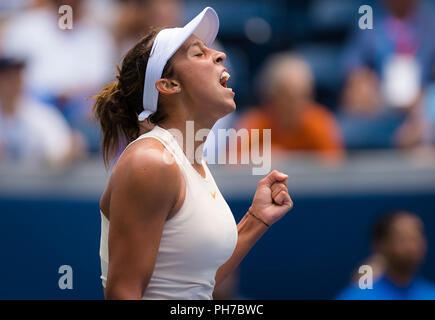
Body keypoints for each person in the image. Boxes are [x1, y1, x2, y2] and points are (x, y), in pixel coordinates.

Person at [93, 7, 293, 300]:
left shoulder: (190, 163)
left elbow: (194, 284)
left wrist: (256, 219)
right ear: (169, 85)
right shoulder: (150, 162)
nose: (219, 55)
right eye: (199, 54)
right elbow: (124, 292)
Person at [235, 53, 344, 164]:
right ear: (272, 97)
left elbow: (334, 166)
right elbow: (231, 165)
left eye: (304, 96)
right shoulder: (255, 123)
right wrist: (258, 158)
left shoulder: (319, 121)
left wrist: (293, 160)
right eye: (289, 98)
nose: (299, 104)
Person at [336, 210, 435, 300]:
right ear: (380, 245)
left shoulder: (430, 294)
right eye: (402, 239)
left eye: (416, 238)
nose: (412, 247)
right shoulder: (357, 296)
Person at [0, 55, 79, 165]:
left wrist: (65, 153)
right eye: (8, 78)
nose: (14, 83)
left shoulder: (41, 116)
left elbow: (64, 149)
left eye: (18, 77)